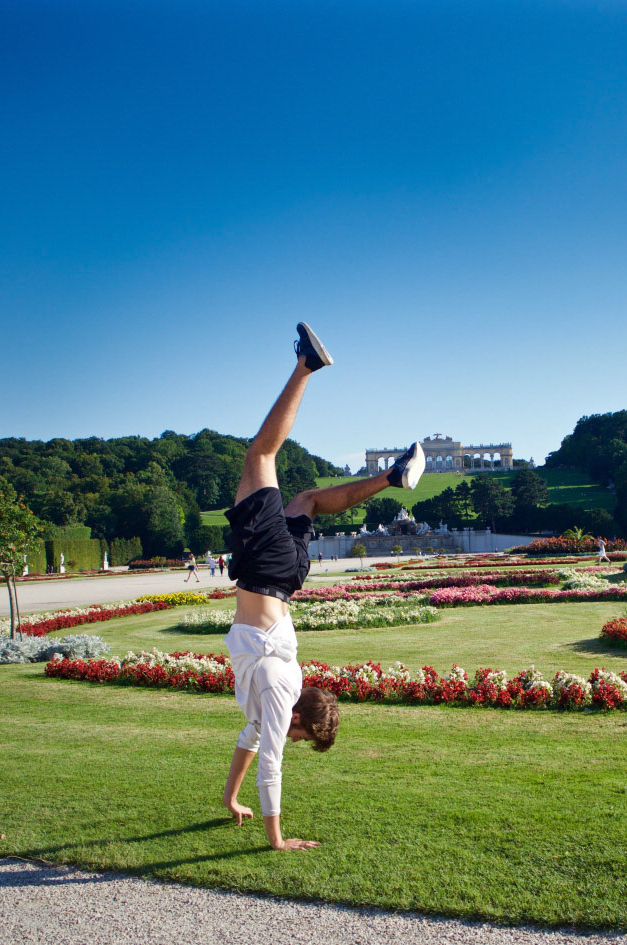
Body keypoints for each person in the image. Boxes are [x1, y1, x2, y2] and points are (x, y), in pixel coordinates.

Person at [220, 323, 428, 850]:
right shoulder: (278, 689)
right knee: (259, 458)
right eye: (299, 734)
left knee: (307, 500)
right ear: (297, 716)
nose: (289, 738)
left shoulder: (286, 679)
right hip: (267, 573)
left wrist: (229, 798)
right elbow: (270, 761)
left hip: (287, 578)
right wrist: (277, 840)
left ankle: (393, 478)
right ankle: (306, 365)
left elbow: (250, 739)